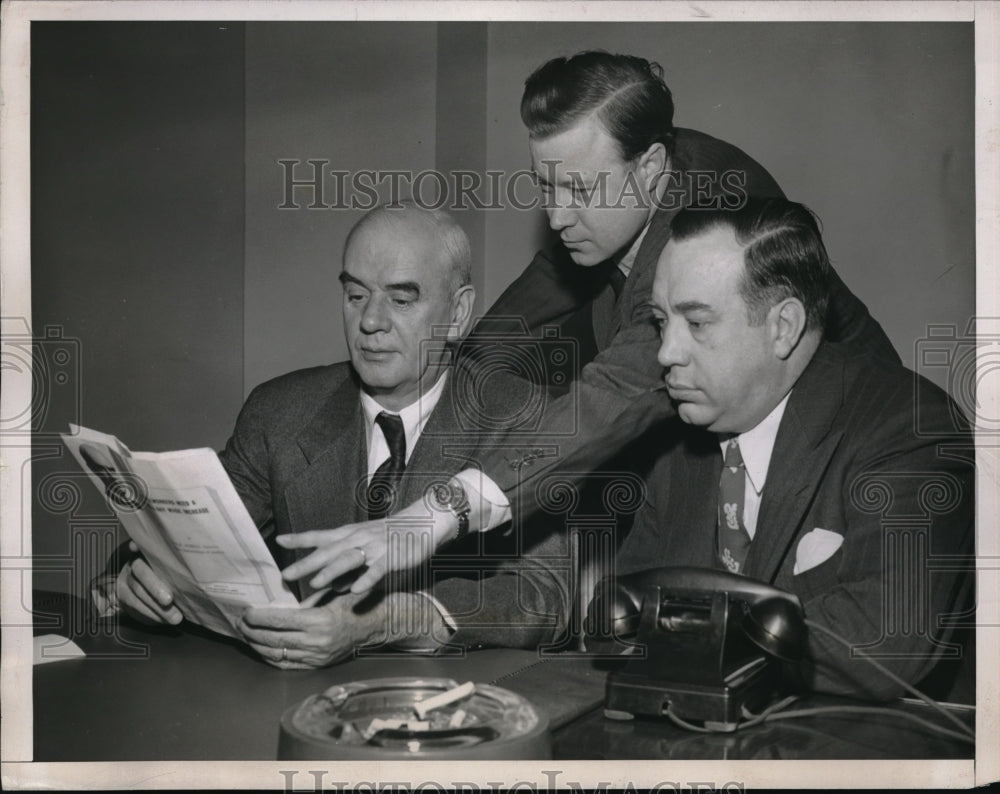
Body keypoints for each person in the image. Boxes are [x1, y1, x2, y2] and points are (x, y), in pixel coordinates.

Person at [277, 51, 899, 600]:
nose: (555, 215)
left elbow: (618, 391)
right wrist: (450, 374)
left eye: (577, 190)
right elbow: (539, 290)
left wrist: (435, 515)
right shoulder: (626, 170)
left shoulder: (707, 228)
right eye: (545, 187)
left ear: (651, 168)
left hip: (838, 441)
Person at [102, 203, 572, 667]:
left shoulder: (524, 416)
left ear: (459, 312)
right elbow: (193, 539)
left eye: (401, 300)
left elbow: (544, 599)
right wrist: (138, 579)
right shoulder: (280, 412)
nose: (370, 321)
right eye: (356, 295)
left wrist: (385, 621)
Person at [599, 197, 972, 698]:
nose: (666, 352)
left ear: (783, 328)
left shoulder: (910, 428)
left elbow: (883, 641)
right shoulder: (673, 436)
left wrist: (683, 631)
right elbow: (621, 618)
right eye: (661, 321)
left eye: (697, 323)